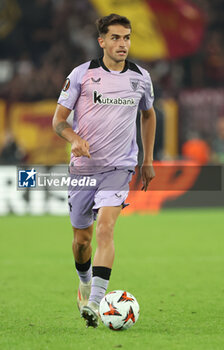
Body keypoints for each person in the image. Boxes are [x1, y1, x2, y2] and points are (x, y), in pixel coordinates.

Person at [52, 13, 156, 328]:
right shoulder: (82, 75)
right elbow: (58, 121)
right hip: (83, 169)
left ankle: (95, 302)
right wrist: (75, 139)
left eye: (126, 37)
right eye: (115, 38)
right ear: (102, 41)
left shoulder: (140, 77)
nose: (122, 44)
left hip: (119, 167)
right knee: (82, 239)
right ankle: (84, 282)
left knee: (106, 229)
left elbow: (149, 116)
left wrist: (147, 159)